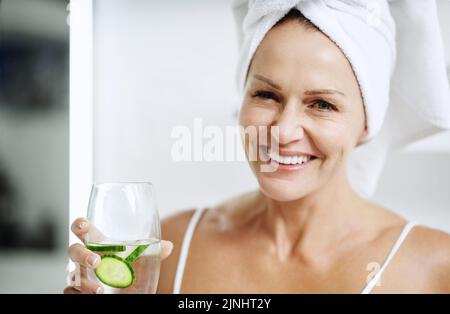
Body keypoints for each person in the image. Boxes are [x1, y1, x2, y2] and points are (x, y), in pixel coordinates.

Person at [64, 4, 450, 294]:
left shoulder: (435, 267)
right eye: (266, 95)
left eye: (322, 104)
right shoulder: (172, 249)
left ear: (368, 123)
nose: (282, 131)